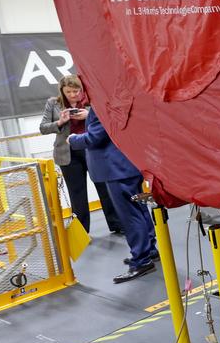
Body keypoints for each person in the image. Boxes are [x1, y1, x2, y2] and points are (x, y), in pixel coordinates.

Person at [67, 106, 158, 283]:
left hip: (116, 169)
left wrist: (73, 140)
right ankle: (149, 251)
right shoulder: (114, 100)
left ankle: (141, 260)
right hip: (126, 166)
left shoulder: (102, 103)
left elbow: (94, 137)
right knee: (139, 210)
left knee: (130, 216)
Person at [39, 74, 122, 235]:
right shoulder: (53, 103)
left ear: (82, 89)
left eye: (76, 91)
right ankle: (83, 232)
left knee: (104, 189)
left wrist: (88, 115)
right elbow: (43, 128)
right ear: (62, 91)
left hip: (93, 149)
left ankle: (117, 224)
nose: (72, 95)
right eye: (68, 91)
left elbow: (109, 119)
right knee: (77, 193)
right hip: (68, 153)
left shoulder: (93, 101)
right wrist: (60, 122)